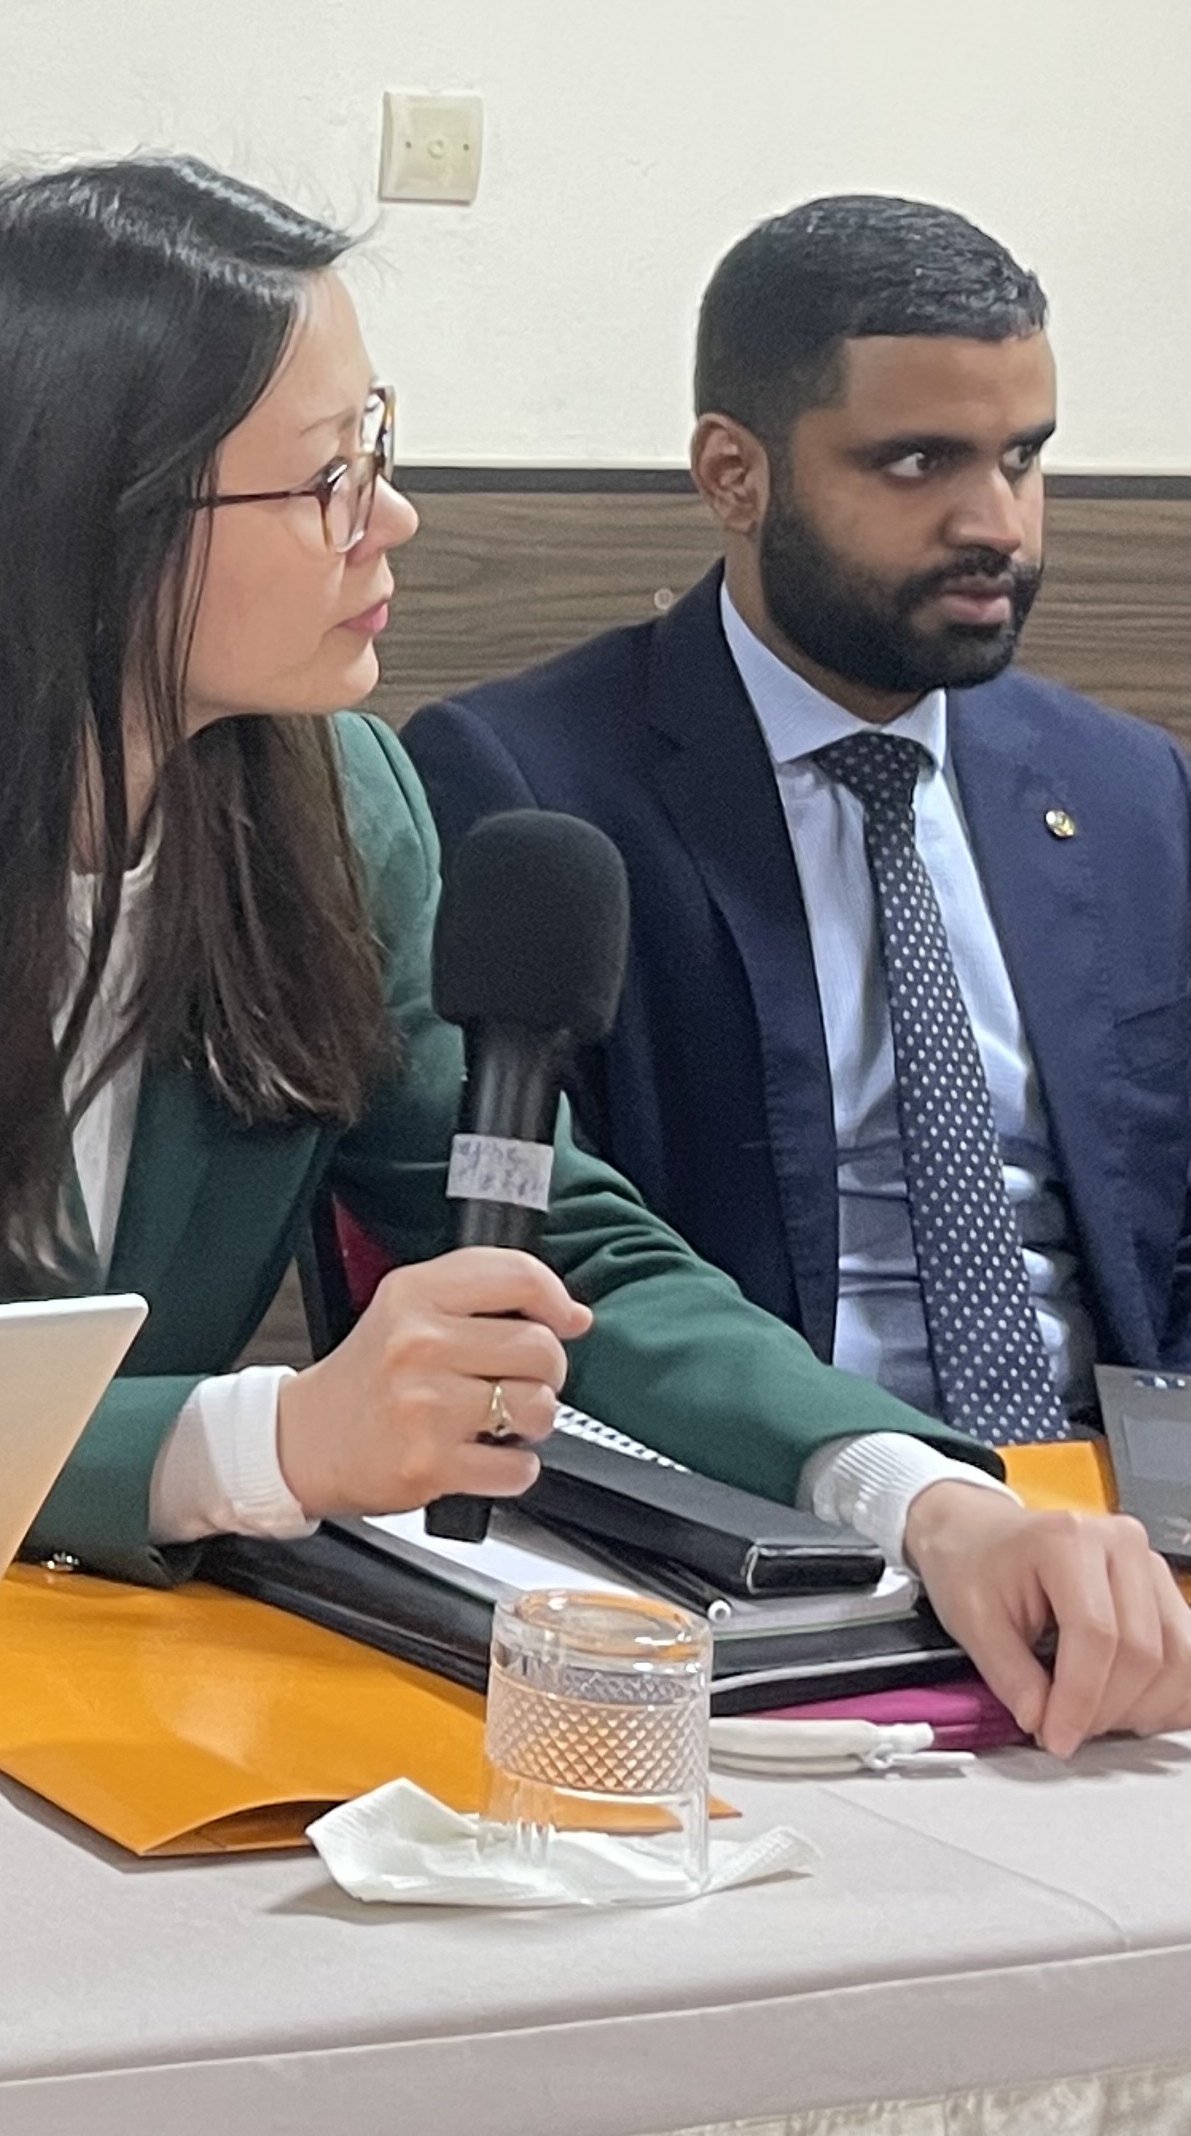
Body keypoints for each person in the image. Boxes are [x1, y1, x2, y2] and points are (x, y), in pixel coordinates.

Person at [0, 155, 1191, 1752]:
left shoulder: (334, 796)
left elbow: (567, 1253)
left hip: (136, 1654)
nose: (393, 516)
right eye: (327, 476)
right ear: (91, 520)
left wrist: (919, 1495)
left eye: (381, 446)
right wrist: (271, 1434)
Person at [407, 198, 1188, 1440]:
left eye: (1023, 459)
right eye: (919, 462)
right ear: (735, 474)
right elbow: (534, 1242)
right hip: (758, 1487)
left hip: (1113, 1493)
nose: (997, 525)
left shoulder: (1129, 792)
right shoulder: (532, 788)